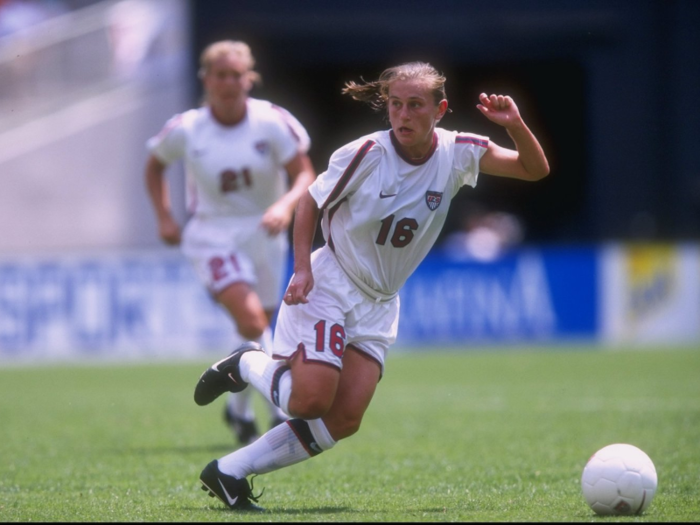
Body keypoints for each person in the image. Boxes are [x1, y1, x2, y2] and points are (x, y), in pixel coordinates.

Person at [193, 61, 550, 511]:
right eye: (395, 105)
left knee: (343, 418)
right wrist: (302, 269)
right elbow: (309, 203)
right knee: (308, 401)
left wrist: (515, 125)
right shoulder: (366, 154)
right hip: (333, 283)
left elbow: (533, 170)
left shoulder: (459, 152)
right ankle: (247, 362)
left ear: (439, 109)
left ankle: (228, 472)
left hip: (381, 302)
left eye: (415, 105)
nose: (402, 115)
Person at [145, 40, 316, 445]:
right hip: (212, 233)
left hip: (265, 231)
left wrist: (286, 205)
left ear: (249, 78)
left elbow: (305, 173)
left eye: (236, 75)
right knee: (253, 321)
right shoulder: (186, 128)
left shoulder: (272, 121)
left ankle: (237, 409)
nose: (228, 83)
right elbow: (154, 166)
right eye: (220, 75)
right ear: (206, 79)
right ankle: (278, 409)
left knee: (259, 329)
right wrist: (165, 216)